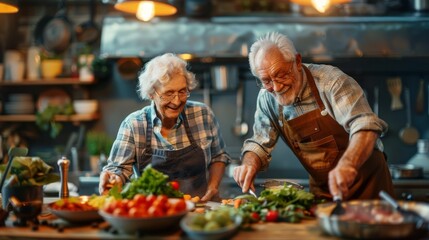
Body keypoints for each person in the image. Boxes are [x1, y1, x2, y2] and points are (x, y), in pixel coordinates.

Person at [233, 32, 394, 201]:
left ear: (297, 61)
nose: (276, 87)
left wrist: (348, 164)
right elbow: (260, 141)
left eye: (281, 75)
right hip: (324, 193)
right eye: (266, 81)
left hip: (368, 186)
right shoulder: (267, 97)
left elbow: (365, 125)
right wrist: (249, 164)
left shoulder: (332, 82)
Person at [99, 53, 231, 201]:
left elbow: (218, 156)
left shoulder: (203, 115)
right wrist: (113, 179)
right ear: (151, 93)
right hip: (153, 213)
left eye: (182, 91)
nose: (176, 101)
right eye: (168, 93)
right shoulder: (134, 125)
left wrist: (213, 187)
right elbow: (118, 169)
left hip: (199, 210)